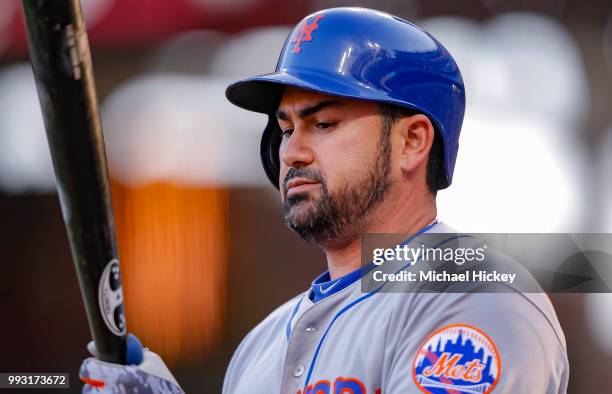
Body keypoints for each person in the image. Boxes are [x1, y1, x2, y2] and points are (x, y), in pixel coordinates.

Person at [80, 7, 569, 394]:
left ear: (413, 142)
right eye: (286, 128)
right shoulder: (261, 344)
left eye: (324, 123)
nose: (291, 151)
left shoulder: (472, 298)